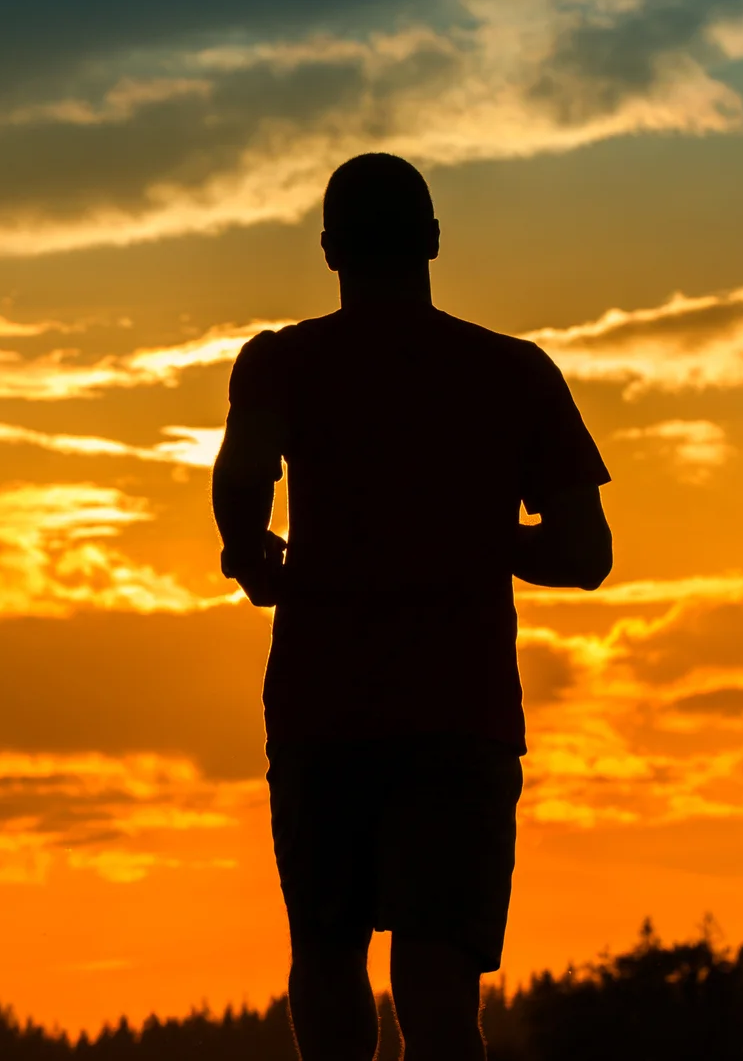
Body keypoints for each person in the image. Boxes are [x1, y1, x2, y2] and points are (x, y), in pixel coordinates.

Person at [213, 153, 613, 1061]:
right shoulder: (511, 372)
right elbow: (584, 554)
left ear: (328, 250)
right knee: (436, 985)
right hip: (458, 717)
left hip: (323, 712)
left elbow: (242, 477)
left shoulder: (281, 363)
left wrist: (249, 554)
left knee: (326, 952)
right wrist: (474, 538)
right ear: (433, 240)